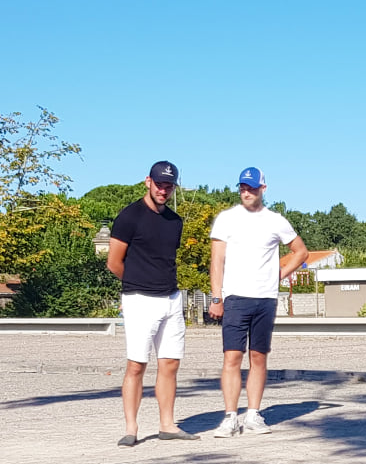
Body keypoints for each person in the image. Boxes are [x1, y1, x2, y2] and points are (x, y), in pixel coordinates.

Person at [207, 167, 308, 436]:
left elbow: (300, 251)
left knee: (258, 357)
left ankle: (253, 414)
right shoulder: (226, 220)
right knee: (232, 357)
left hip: (265, 298)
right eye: (242, 187)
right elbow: (216, 261)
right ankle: (230, 417)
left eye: (252, 187)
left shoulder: (276, 221)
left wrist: (280, 274)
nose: (246, 192)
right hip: (235, 297)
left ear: (263, 189)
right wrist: (216, 297)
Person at [107, 161, 197, 446]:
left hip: (171, 298)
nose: (163, 189)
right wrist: (136, 283)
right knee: (137, 364)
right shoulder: (129, 217)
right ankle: (131, 429)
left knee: (169, 363)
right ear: (148, 181)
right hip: (139, 299)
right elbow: (114, 263)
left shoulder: (175, 221)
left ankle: (167, 424)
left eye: (169, 186)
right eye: (159, 184)